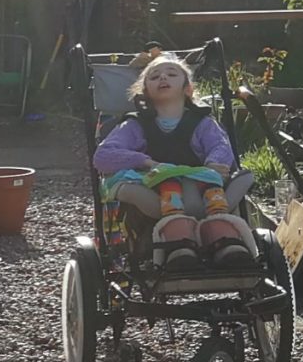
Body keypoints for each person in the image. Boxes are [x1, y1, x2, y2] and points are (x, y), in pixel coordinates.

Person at [92, 52, 257, 271]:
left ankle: (225, 241)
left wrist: (214, 164)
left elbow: (221, 147)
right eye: (154, 76)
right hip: (156, 193)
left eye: (171, 74)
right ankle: (177, 245)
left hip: (204, 188)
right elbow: (103, 156)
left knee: (231, 184)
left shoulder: (203, 123)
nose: (163, 78)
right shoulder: (135, 126)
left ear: (187, 88)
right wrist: (146, 162)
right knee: (141, 189)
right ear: (144, 92)